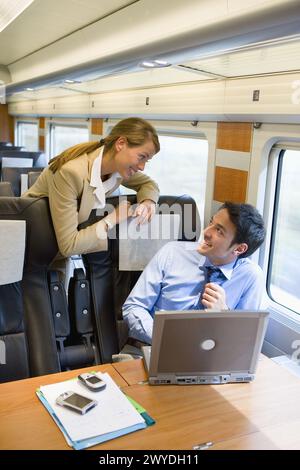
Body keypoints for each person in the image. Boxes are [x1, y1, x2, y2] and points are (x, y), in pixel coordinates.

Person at [123, 202, 266, 345]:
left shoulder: (251, 277)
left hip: (210, 361)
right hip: (152, 347)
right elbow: (134, 306)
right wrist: (166, 341)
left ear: (239, 249)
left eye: (219, 231)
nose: (206, 232)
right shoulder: (172, 253)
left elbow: (245, 342)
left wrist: (223, 315)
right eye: (211, 222)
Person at [22, 117, 160, 258]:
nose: (142, 167)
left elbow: (149, 184)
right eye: (141, 157)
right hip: (33, 244)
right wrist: (113, 218)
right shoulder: (71, 172)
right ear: (121, 144)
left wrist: (148, 202)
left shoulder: (119, 168)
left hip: (62, 244)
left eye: (146, 161)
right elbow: (69, 246)